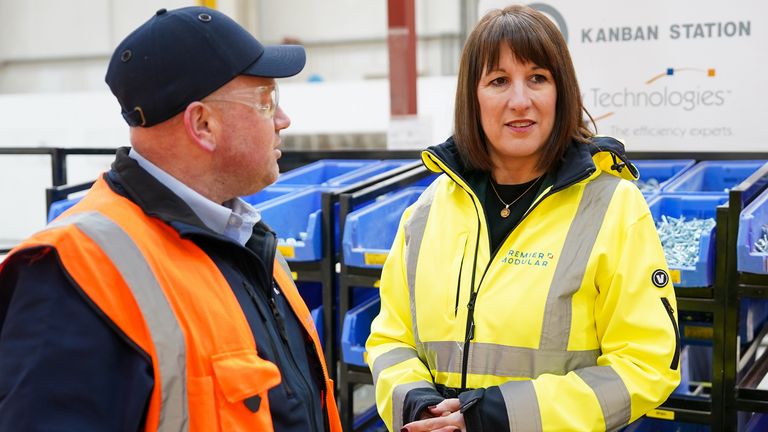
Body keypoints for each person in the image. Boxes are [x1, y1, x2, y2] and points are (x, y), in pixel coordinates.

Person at [0, 6, 341, 432]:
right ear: (202, 123)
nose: (283, 120)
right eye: (266, 101)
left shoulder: (245, 239)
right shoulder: (70, 274)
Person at [366, 5, 680, 432]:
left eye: (537, 78)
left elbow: (646, 363)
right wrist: (420, 407)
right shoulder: (427, 211)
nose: (520, 100)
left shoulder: (614, 208)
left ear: (560, 92)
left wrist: (493, 418)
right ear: (471, 98)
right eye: (498, 81)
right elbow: (389, 339)